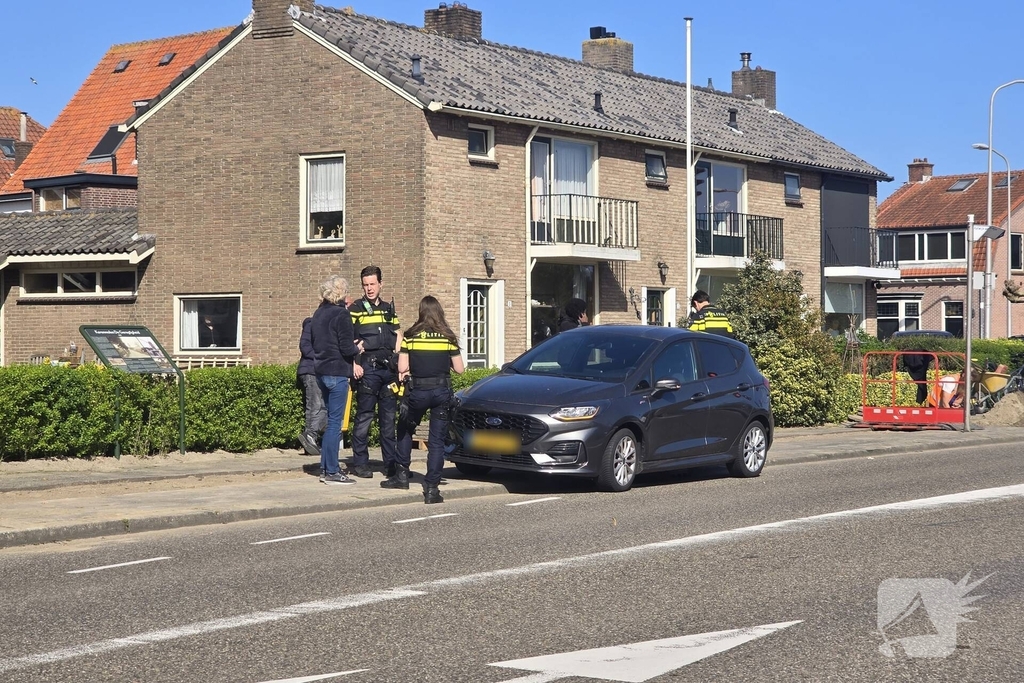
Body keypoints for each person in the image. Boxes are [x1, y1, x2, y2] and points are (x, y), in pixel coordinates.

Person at [385, 295, 464, 503]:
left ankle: (401, 475)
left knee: (405, 428)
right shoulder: (448, 337)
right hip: (441, 393)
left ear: (421, 312)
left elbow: (402, 368)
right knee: (436, 441)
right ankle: (432, 489)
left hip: (417, 392)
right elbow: (460, 369)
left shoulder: (411, 336)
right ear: (439, 312)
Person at [348, 266, 402, 479]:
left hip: (389, 370)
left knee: (388, 420)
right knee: (365, 417)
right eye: (365, 285)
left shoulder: (389, 309)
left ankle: (390, 463)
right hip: (367, 369)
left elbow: (398, 334)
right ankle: (360, 463)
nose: (369, 288)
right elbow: (347, 340)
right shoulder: (355, 309)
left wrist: (400, 361)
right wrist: (354, 364)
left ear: (381, 284)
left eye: (372, 284)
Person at [310, 275, 364, 485]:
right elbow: (346, 348)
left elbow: (316, 342)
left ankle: (325, 468)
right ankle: (332, 471)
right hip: (337, 372)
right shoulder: (342, 315)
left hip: (321, 371)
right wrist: (357, 348)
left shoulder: (318, 314)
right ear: (341, 294)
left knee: (330, 422)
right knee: (334, 423)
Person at [297, 315, 326, 456]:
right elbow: (305, 346)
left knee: (324, 407)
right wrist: (322, 357)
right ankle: (310, 437)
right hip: (311, 370)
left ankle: (311, 436)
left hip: (322, 371)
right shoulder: (311, 323)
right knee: (315, 405)